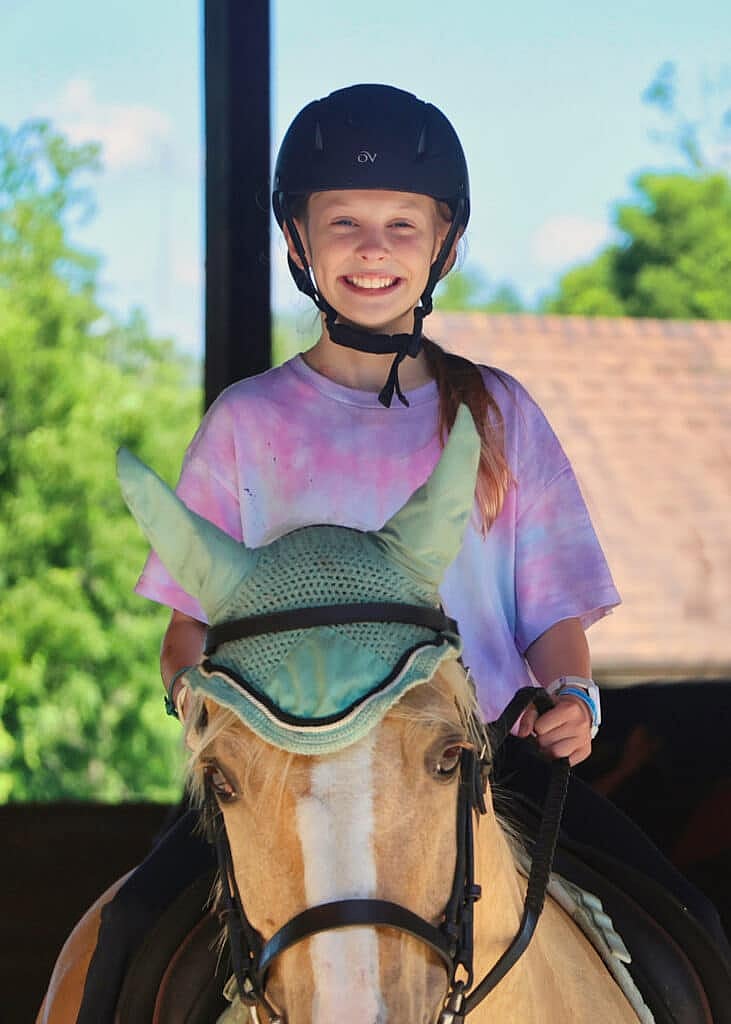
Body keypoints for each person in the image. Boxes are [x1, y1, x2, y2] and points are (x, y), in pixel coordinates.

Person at [77, 84, 727, 1021]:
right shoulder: (246, 423)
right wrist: (207, 716)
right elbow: (189, 633)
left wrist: (574, 698)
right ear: (298, 242)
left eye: (399, 224)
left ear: (442, 246)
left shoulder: (499, 414)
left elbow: (553, 609)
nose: (371, 248)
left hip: (485, 762)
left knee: (688, 925)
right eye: (342, 221)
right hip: (285, 776)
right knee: (130, 934)